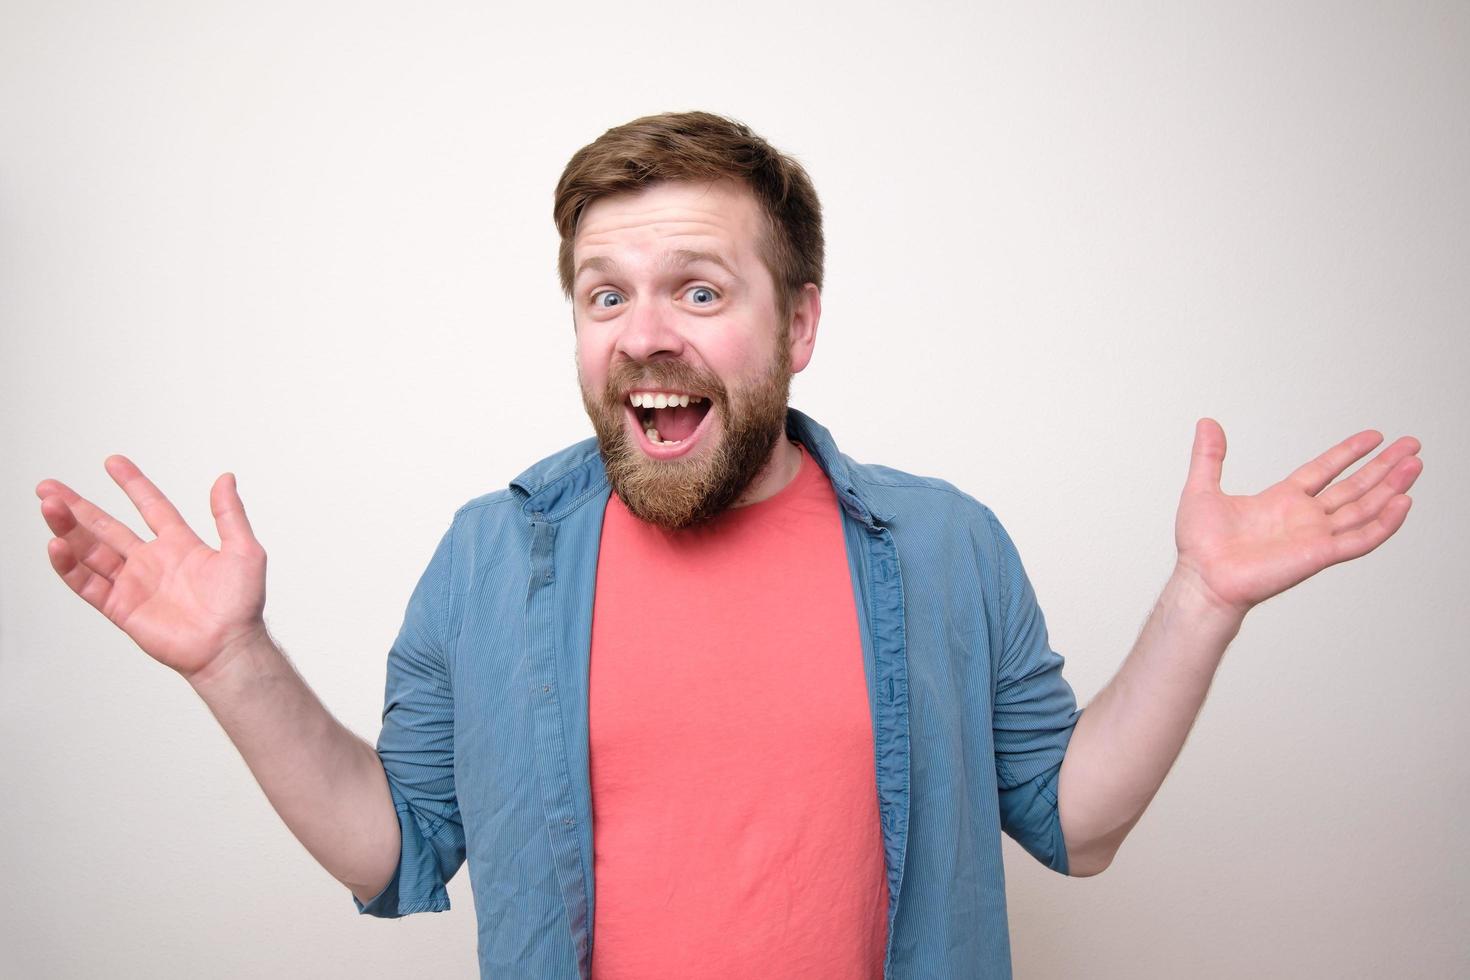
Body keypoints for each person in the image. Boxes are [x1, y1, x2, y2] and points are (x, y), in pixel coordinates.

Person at [35, 111, 1423, 980]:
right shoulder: (486, 556)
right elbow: (394, 849)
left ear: (797, 325)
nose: (644, 330)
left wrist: (1199, 602)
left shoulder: (940, 546)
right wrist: (231, 662)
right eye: (606, 292)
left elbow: (1074, 823)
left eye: (699, 289)